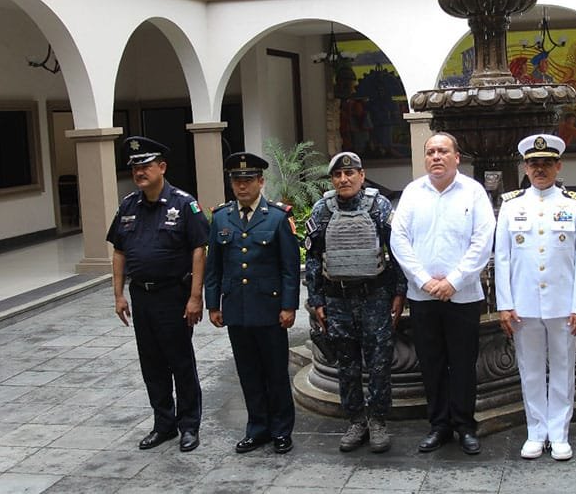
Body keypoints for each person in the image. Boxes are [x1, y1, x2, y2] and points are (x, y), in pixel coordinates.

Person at [390, 132, 495, 455]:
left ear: (456, 157)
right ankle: (438, 425)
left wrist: (454, 280)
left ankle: (464, 425)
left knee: (463, 364)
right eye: (431, 152)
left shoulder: (473, 192)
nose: (436, 157)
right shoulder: (412, 193)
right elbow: (399, 239)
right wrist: (423, 280)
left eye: (443, 151)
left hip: (462, 297)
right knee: (431, 363)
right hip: (423, 297)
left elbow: (483, 240)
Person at [495, 134, 576, 461]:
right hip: (524, 304)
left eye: (547, 163)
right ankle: (536, 431)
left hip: (563, 304)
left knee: (564, 368)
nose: (540, 169)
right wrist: (505, 305)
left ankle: (559, 433)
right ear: (525, 166)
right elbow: (503, 258)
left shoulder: (574, 206)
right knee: (531, 369)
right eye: (534, 163)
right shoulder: (511, 205)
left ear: (558, 166)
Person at [107, 136, 209, 452]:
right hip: (142, 297)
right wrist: (118, 295)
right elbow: (119, 251)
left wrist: (195, 297)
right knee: (151, 364)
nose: (140, 171)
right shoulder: (127, 206)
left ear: (161, 167)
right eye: (136, 166)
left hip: (173, 296)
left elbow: (198, 250)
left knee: (180, 363)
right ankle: (163, 424)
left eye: (146, 165)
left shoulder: (184, 203)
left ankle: (189, 425)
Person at [304, 151, 407, 453]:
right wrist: (316, 300)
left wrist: (399, 293)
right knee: (346, 365)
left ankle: (377, 421)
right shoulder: (322, 210)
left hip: (375, 296)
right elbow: (312, 258)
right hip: (337, 299)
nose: (343, 179)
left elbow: (397, 250)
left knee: (378, 364)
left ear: (362, 176)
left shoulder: (379, 207)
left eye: (350, 174)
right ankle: (355, 421)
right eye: (337, 175)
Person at [205, 152, 300, 455]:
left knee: (275, 373)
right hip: (237, 309)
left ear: (261, 181)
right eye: (236, 180)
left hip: (270, 310)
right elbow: (214, 267)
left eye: (247, 180)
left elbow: (289, 268)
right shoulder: (221, 217)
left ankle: (282, 430)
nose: (241, 186)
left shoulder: (277, 217)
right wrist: (213, 304)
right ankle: (257, 428)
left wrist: (289, 306)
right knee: (248, 373)